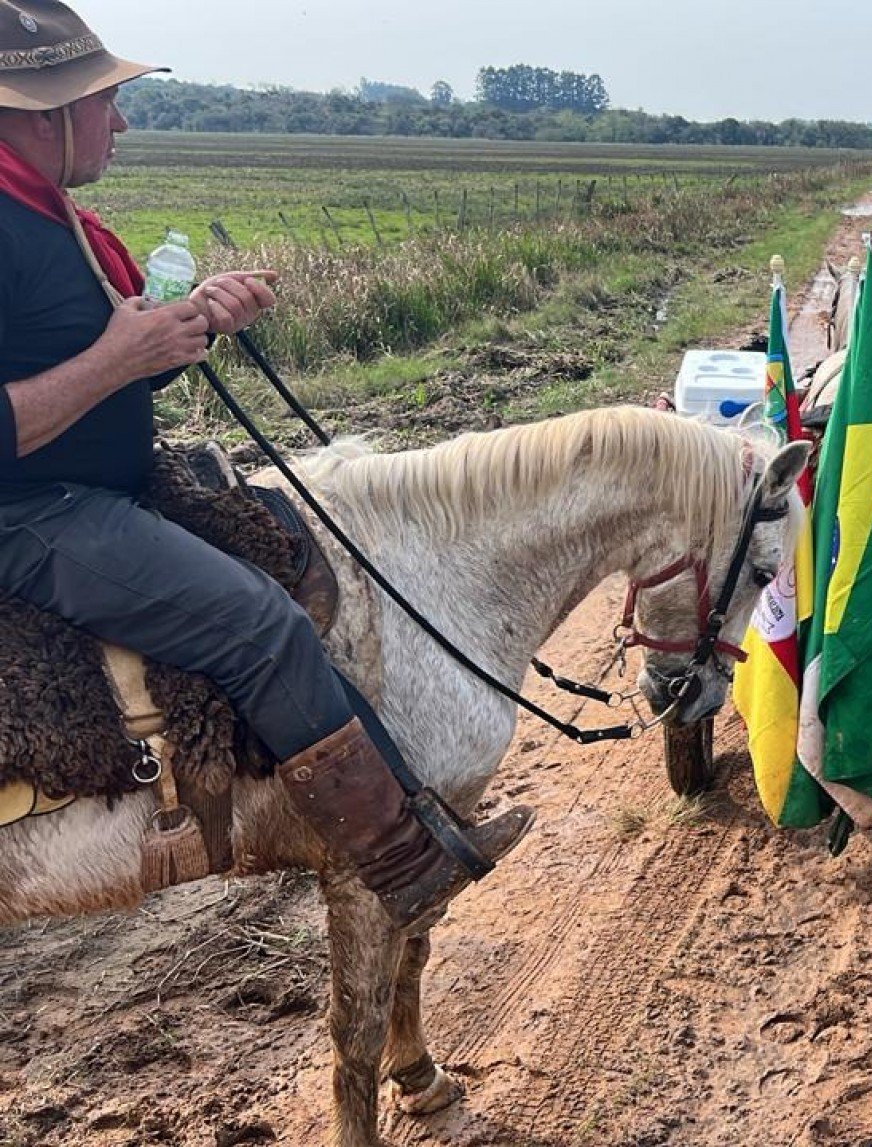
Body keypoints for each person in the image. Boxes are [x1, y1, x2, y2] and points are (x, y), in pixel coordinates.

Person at [0, 1, 529, 930]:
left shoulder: (54, 218)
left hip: (92, 484)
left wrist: (188, 321)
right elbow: (82, 374)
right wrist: (116, 361)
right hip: (35, 514)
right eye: (106, 103)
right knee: (260, 625)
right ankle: (401, 863)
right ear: (42, 114)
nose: (120, 121)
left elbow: (96, 359)